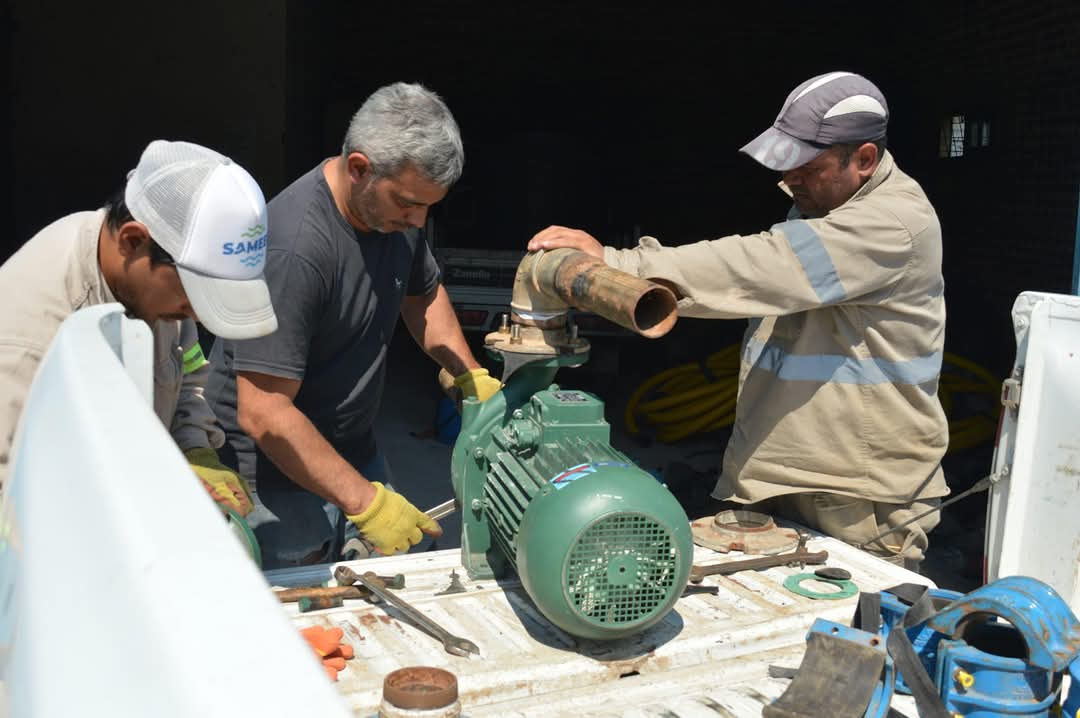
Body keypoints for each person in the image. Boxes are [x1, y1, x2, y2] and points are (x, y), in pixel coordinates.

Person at [527, 71, 949, 570]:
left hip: (858, 501)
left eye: (806, 167)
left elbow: (761, 266)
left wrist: (619, 266)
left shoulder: (891, 223)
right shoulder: (821, 205)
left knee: (847, 636)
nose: (789, 180)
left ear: (863, 160)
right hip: (784, 476)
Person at [206, 82, 501, 568]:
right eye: (408, 203)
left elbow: (421, 294)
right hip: (272, 477)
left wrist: (467, 372)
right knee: (304, 609)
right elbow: (263, 412)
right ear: (360, 168)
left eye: (429, 205)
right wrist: (368, 503)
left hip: (352, 449)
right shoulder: (296, 249)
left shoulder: (394, 217)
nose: (418, 219)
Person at [0, 140, 278, 517]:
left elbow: (189, 375)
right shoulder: (26, 343)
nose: (195, 315)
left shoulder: (159, 300)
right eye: (195, 293)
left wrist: (195, 448)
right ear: (133, 241)